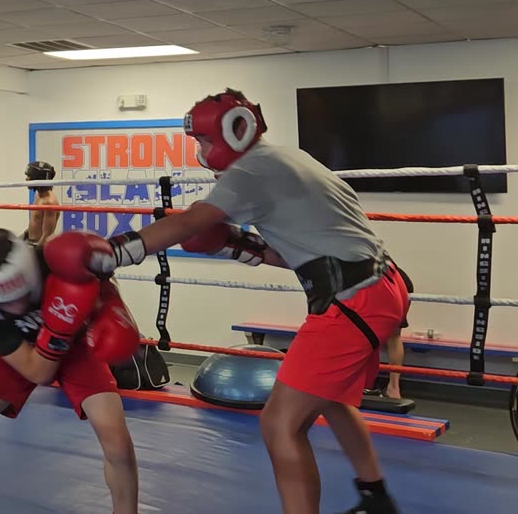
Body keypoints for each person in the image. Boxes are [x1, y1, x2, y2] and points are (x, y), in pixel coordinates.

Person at [82, 89, 411, 514]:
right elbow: (296, 254)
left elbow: (191, 222)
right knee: (330, 398)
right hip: (379, 285)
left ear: (235, 131)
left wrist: (112, 253)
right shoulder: (290, 158)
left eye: (202, 141)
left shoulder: (250, 172)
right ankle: (376, 497)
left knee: (280, 423)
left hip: (352, 301)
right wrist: (241, 246)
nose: (199, 151)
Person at [0, 228, 141, 514]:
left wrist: (109, 305)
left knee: (117, 442)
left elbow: (102, 279)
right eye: (6, 302)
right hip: (22, 354)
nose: (19, 304)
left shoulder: (52, 259)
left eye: (23, 293)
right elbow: (38, 372)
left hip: (79, 348)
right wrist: (58, 327)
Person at [24, 160, 58, 246]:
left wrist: (36, 251)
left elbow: (47, 234)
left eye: (29, 176)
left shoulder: (49, 202)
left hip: (40, 246)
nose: (26, 179)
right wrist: (25, 235)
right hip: (31, 242)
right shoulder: (38, 196)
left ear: (38, 178)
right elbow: (36, 221)